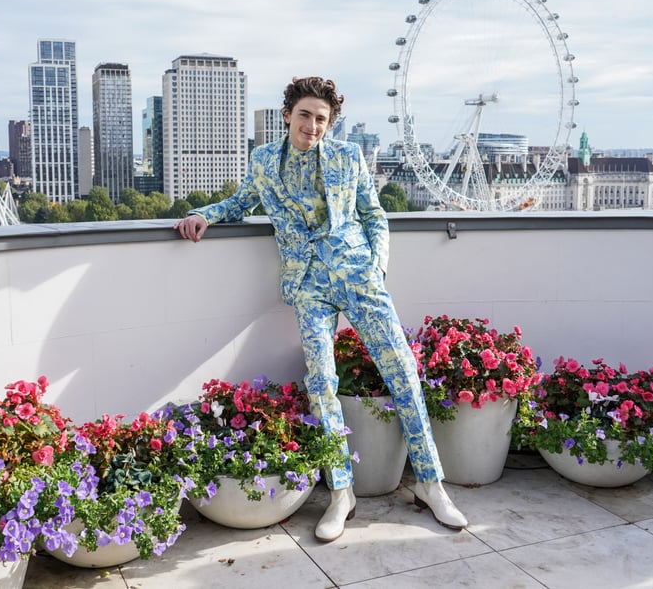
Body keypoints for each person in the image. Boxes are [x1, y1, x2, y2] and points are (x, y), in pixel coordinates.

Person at [173, 76, 467, 542]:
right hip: (308, 284)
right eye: (305, 115)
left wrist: (376, 269)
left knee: (404, 372)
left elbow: (374, 215)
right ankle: (340, 493)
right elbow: (244, 200)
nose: (313, 125)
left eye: (322, 119)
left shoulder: (349, 157)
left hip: (358, 276)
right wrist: (205, 214)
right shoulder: (264, 160)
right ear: (287, 114)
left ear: (331, 124)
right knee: (321, 384)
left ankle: (431, 485)